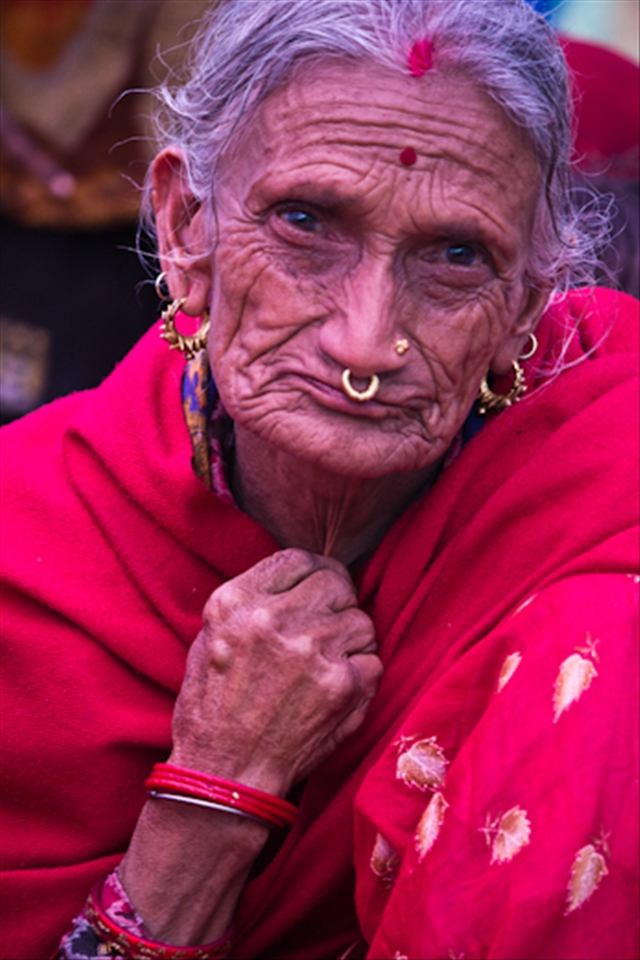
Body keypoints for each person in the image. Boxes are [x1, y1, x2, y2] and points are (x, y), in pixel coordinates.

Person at [0, 1, 637, 958]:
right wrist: (216, 791)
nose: (366, 341)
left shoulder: (606, 476)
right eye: (305, 223)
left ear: (527, 306)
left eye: (457, 257)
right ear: (185, 229)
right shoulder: (29, 544)